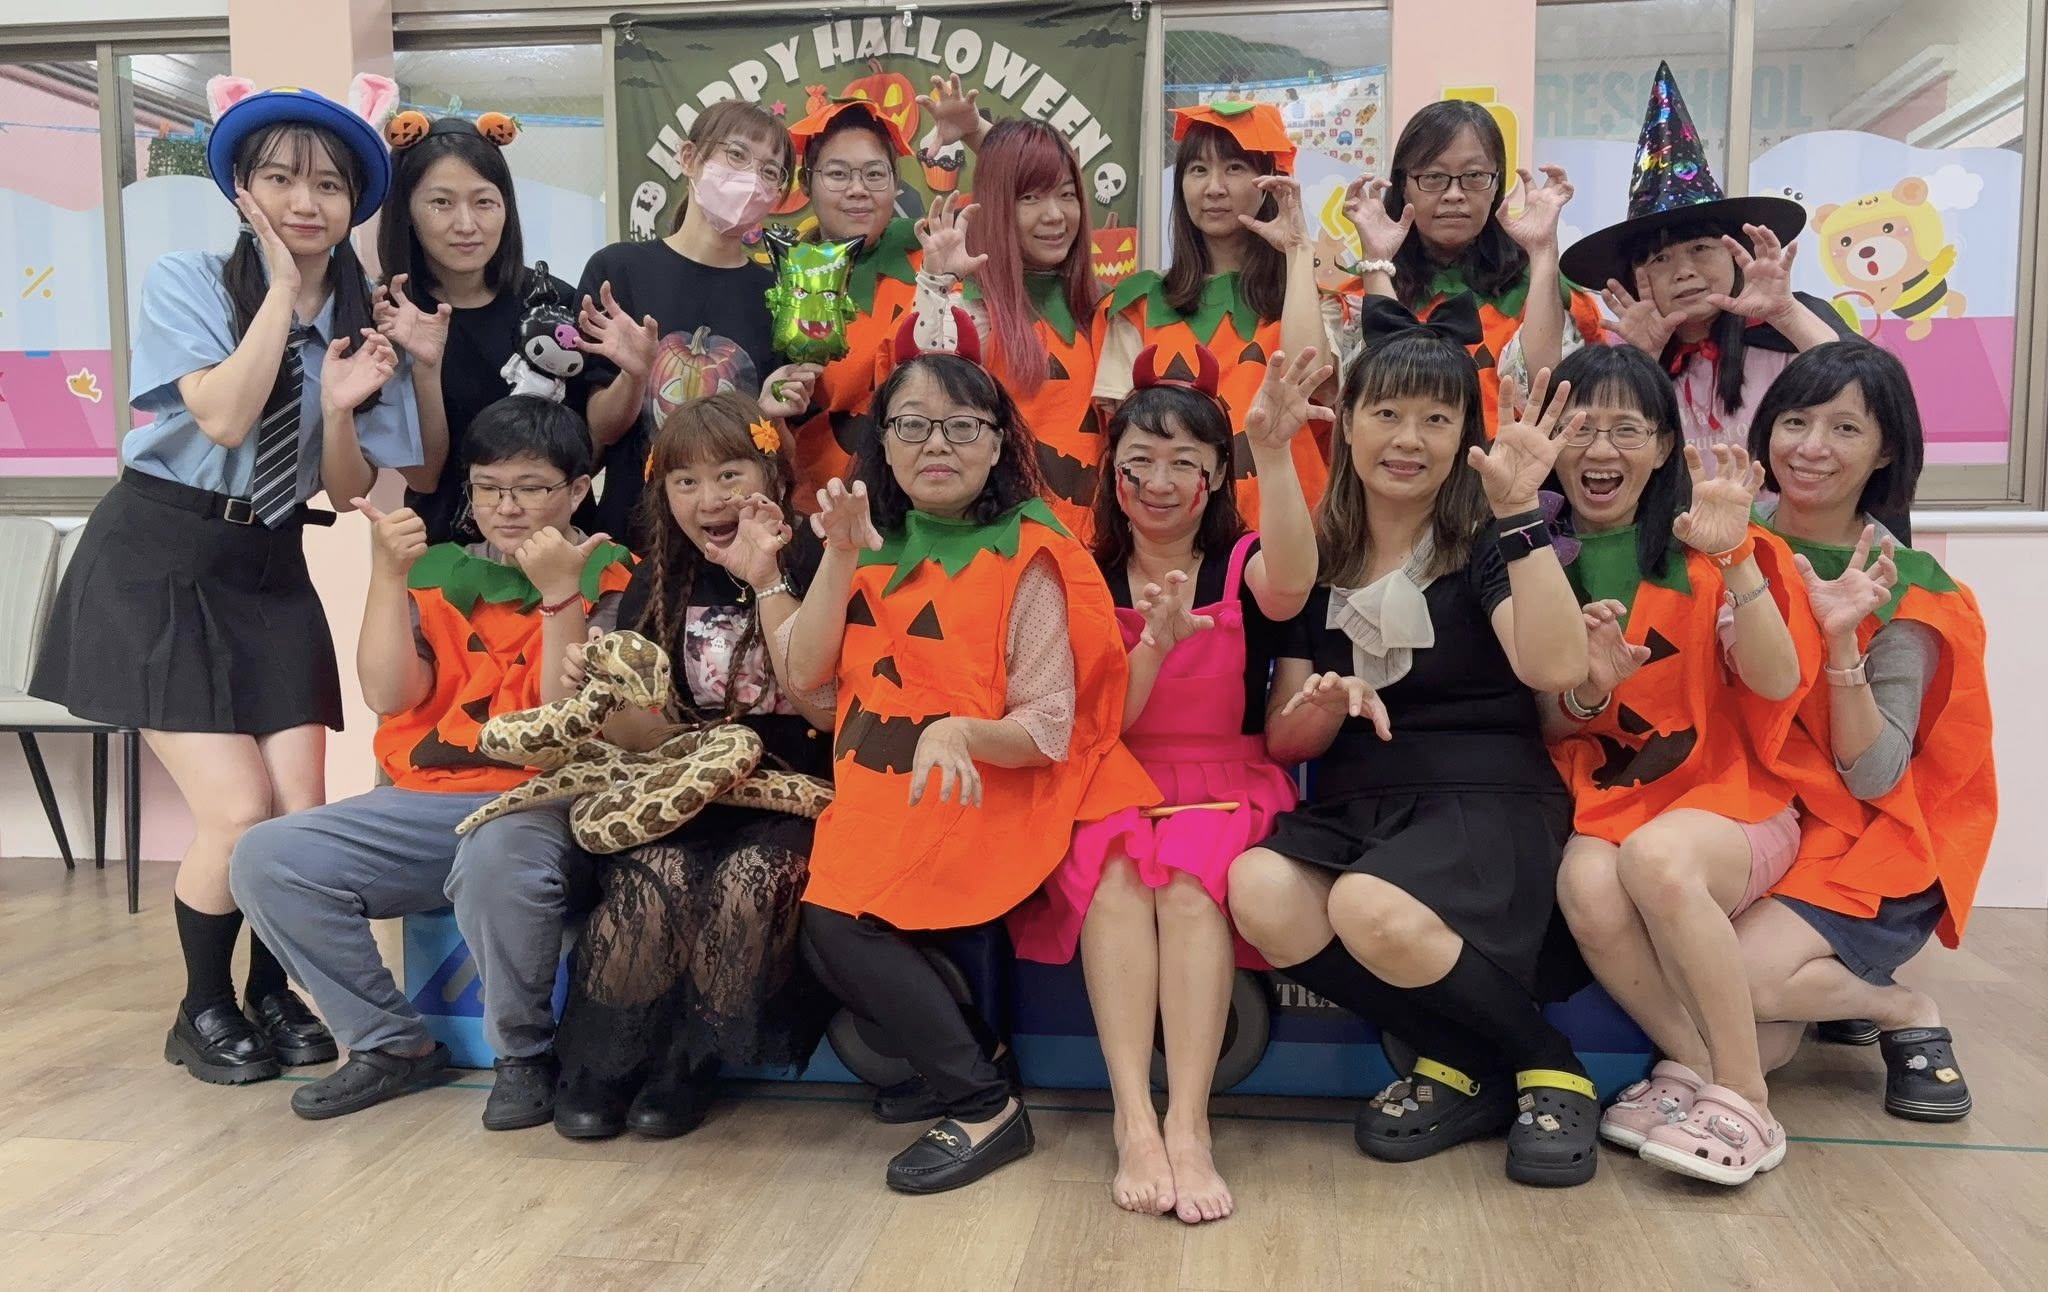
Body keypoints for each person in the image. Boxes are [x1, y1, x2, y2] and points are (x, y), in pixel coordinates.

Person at [30, 77, 423, 1085]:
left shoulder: (361, 318)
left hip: (271, 563)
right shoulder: (189, 281)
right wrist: (282, 295)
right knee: (240, 807)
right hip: (158, 558)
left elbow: (348, 485)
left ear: (354, 203)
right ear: (242, 189)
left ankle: (269, 990)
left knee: (299, 811)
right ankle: (200, 1006)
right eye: (280, 178)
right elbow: (223, 416)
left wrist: (342, 406)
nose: (305, 200)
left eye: (328, 184)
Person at [1227, 295, 1602, 1188]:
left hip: (1485, 799)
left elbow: (1555, 666)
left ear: (1467, 433)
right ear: (1348, 422)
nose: (1409, 438)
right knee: (1259, 888)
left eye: (1437, 419)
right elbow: (1284, 740)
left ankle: (1552, 1066)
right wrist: (1324, 705)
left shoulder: (1489, 540)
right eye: (1388, 412)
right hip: (1359, 802)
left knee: (1368, 905)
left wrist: (1520, 514)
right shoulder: (1316, 554)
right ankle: (1464, 1059)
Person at [781, 351, 1158, 1195]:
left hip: (995, 786)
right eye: (912, 425)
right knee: (823, 914)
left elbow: (1049, 728)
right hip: (885, 790)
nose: (936, 444)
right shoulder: (865, 540)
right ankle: (970, 1056)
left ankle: (985, 1105)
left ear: (997, 444)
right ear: (884, 444)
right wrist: (837, 557)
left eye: (961, 426)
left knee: (835, 921)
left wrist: (958, 733)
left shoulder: (1030, 551)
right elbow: (809, 678)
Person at [231, 396, 633, 1126]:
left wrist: (559, 596)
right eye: (488, 487)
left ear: (578, 489)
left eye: (530, 487)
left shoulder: (616, 575)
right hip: (427, 798)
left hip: (547, 798)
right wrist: (388, 576)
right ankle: (390, 1044)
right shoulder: (439, 571)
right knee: (269, 855)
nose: (506, 507)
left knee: (495, 852)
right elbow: (390, 694)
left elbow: (563, 730)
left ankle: (524, 1056)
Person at [1007, 344, 1325, 1222]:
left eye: (1184, 461)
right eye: (1139, 460)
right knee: (1114, 877)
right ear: (1112, 473)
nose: (1158, 481)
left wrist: (1275, 452)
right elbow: (1101, 722)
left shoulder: (1243, 560)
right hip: (1115, 772)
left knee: (1188, 884)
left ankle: (1190, 1124)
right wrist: (1154, 643)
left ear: (1217, 475)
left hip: (1228, 778)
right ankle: (1133, 1119)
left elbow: (1293, 585)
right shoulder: (1083, 570)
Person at [1541, 344, 1819, 1186]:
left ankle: (1748, 1099)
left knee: (1658, 861)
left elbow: (1777, 680)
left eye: (1626, 429)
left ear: (1665, 446)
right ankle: (1695, 1066)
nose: (1600, 449)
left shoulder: (1711, 543)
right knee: (1586, 886)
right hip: (1612, 797)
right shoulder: (1533, 560)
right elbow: (1550, 718)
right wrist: (1589, 692)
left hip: (1733, 799)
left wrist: (1738, 563)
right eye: (1581, 427)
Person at [550, 391, 836, 1140]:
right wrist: (601, 695)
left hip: (795, 790)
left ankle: (689, 1059)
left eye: (730, 474)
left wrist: (767, 577)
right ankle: (607, 1060)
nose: (709, 498)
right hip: (686, 790)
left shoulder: (817, 561)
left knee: (748, 883)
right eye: (686, 481)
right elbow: (644, 734)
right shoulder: (658, 581)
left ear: (772, 475)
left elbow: (823, 703)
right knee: (658, 878)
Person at [1736, 342, 1995, 1123]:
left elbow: (1877, 774)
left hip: (1864, 836)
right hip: (1749, 812)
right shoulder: (1724, 535)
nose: (1811, 447)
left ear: (1886, 451)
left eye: (1845, 429)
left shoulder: (1906, 590)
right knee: (1736, 1027)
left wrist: (1843, 643)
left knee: (1743, 980)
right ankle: (1821, 991)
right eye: (1795, 420)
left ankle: (1900, 1008)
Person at [1558, 63, 1853, 467]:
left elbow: (1864, 398)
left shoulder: (1791, 330)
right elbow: (1613, 461)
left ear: (1735, 253)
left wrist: (1786, 314)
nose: (1683, 271)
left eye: (1700, 248)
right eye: (1660, 258)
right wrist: (1644, 360)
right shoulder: (1633, 355)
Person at [574, 100, 817, 540]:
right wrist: (635, 375)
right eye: (737, 155)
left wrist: (771, 415)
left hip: (739, 539)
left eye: (769, 171)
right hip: (633, 538)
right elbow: (599, 432)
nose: (751, 179)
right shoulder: (619, 270)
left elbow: (783, 458)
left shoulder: (780, 295)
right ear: (689, 158)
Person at [1092, 101, 1334, 525]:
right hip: (1173, 537)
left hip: (1287, 532)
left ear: (1269, 182)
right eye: (1198, 170)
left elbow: (1312, 378)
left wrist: (1298, 252)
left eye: (1235, 168)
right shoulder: (1139, 303)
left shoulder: (1307, 299)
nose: (1214, 187)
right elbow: (1123, 445)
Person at [374, 110, 597, 543]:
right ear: (407, 212)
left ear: (506, 208)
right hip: (449, 552)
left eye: (484, 202)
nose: (466, 224)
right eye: (441, 203)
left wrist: (633, 376)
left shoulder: (552, 303)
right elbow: (424, 477)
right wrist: (425, 369)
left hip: (558, 548)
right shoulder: (391, 315)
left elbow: (589, 446)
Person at [1341, 98, 1601, 435]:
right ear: (1403, 185)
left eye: (1474, 176)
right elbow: (1382, 394)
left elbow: (1542, 393)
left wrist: (1543, 251)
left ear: (1496, 185)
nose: (1454, 194)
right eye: (1433, 177)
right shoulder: (1357, 294)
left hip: (1506, 465)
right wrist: (1377, 260)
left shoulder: (1537, 287)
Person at [910, 114, 1104, 539]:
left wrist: (975, 128)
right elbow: (921, 396)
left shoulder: (1104, 309)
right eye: (1030, 198)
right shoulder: (970, 312)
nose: (1055, 215)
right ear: (998, 207)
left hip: (1096, 549)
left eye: (1067, 195)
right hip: (999, 545)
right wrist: (935, 285)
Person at [780, 97, 929, 506]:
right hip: (821, 510)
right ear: (807, 183)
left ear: (895, 184)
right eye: (838, 174)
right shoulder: (785, 280)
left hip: (927, 505)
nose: (858, 189)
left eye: (874, 174)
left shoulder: (935, 255)